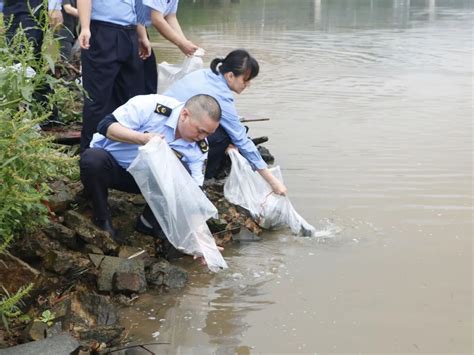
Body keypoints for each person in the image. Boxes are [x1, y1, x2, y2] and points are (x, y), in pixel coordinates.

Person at [79, 94, 221, 245]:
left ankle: (148, 222)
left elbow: (193, 193)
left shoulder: (200, 148)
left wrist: (200, 238)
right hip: (112, 167)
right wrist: (143, 139)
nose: (202, 137)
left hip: (146, 181)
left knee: (183, 172)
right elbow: (105, 126)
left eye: (208, 134)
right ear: (185, 115)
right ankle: (102, 218)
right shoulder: (151, 106)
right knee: (92, 159)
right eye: (200, 131)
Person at [164, 49, 288, 196]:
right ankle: (206, 175)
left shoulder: (204, 74)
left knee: (233, 128)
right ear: (230, 76)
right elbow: (240, 139)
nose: (248, 85)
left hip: (164, 124)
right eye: (245, 80)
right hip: (173, 137)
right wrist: (272, 181)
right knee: (228, 135)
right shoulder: (221, 95)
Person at [77, 0, 151, 151]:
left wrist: (142, 35)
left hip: (130, 32)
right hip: (103, 30)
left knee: (129, 98)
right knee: (97, 98)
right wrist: (85, 27)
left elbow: (138, 3)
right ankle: (90, 153)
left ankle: (121, 152)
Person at [138, 0, 199, 94]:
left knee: (149, 78)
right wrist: (181, 44)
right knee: (140, 78)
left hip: (140, 29)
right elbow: (157, 19)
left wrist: (184, 42)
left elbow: (170, 16)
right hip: (127, 27)